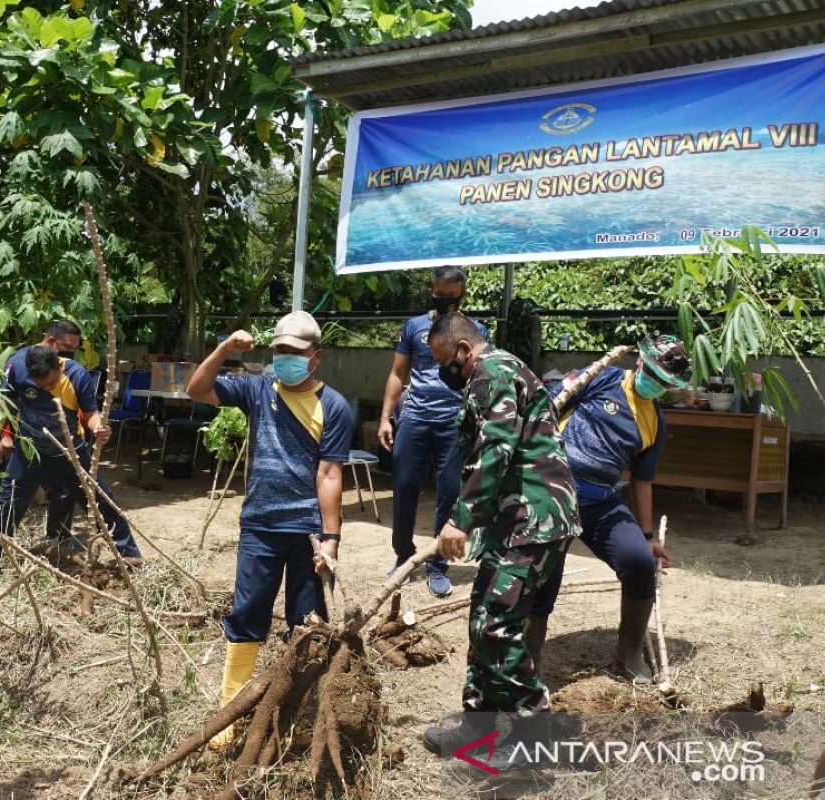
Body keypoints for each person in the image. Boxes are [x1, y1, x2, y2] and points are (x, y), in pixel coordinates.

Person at [186, 311, 353, 749]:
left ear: (314, 358)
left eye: (294, 353)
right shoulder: (258, 389)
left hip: (306, 532)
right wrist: (224, 349)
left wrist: (331, 539)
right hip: (259, 524)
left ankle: (295, 712)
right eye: (278, 350)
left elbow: (329, 474)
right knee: (247, 615)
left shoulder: (332, 406)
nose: (283, 359)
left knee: (307, 622)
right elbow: (196, 389)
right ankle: (230, 711)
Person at [421, 314, 580, 771]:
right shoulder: (492, 374)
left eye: (443, 361)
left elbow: (496, 450)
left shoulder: (492, 372)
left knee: (497, 623)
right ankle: (479, 725)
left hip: (534, 517)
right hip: (512, 520)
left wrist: (460, 520)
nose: (442, 372)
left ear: (465, 350)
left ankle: (534, 736)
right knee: (483, 618)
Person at [528, 335, 690, 683]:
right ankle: (529, 662)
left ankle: (628, 650)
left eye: (666, 383)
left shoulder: (655, 423)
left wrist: (647, 537)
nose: (656, 385)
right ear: (640, 363)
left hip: (601, 500)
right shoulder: (602, 378)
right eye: (654, 375)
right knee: (543, 579)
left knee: (639, 563)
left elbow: (641, 481)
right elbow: (552, 402)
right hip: (555, 491)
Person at [0, 320, 141, 590]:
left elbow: (90, 414)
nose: (48, 388)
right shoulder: (17, 366)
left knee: (104, 504)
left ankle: (131, 561)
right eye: (41, 385)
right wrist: (2, 435)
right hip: (28, 453)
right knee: (3, 511)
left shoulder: (77, 375)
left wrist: (99, 428)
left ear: (58, 365)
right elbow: (7, 404)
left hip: (71, 454)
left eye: (52, 382)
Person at [377, 266, 488, 597]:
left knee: (450, 492)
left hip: (455, 423)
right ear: (431, 291)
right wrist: (386, 417)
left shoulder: (476, 329)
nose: (444, 301)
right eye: (439, 295)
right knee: (406, 485)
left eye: (451, 297)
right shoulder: (414, 327)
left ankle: (438, 564)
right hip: (415, 418)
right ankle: (403, 556)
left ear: (463, 294)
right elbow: (398, 374)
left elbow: (482, 375)